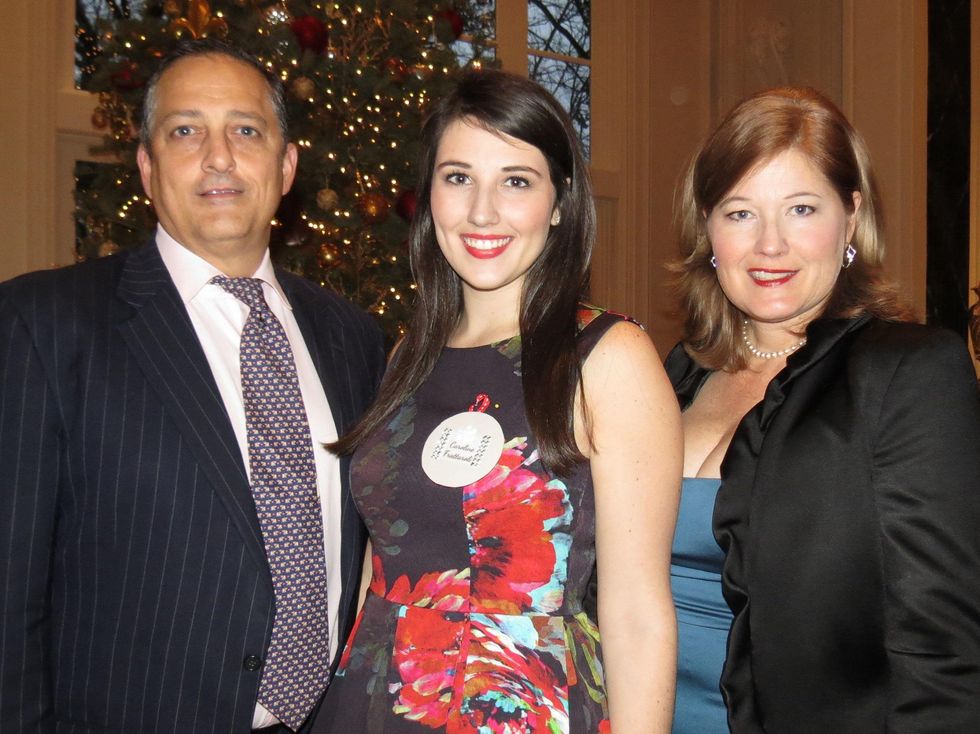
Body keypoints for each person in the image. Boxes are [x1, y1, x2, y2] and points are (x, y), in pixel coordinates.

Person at [0, 39, 385, 732]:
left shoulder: (353, 338)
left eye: (246, 130)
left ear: (286, 164)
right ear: (146, 168)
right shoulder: (45, 324)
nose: (219, 157)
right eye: (186, 131)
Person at [314, 69, 682, 733]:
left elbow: (638, 615)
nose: (483, 211)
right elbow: (383, 555)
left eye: (516, 180)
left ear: (560, 200)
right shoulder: (406, 356)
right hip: (377, 700)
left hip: (517, 703)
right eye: (458, 178)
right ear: (430, 196)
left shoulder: (608, 357)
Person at [665, 86, 980, 733]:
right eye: (740, 213)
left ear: (850, 217)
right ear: (708, 228)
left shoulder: (908, 372)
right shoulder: (676, 371)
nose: (770, 246)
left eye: (801, 208)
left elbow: (944, 655)